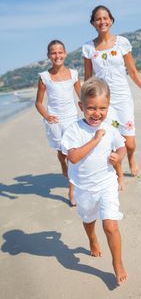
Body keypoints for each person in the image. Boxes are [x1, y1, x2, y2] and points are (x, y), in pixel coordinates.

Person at [61, 77, 127, 285]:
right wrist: (95, 139)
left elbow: (122, 145)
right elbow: (73, 157)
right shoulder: (74, 130)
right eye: (91, 108)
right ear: (81, 107)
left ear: (108, 107)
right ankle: (92, 239)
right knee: (89, 219)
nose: (97, 113)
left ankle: (117, 263)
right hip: (84, 187)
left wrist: (120, 156)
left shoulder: (110, 128)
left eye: (102, 108)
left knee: (110, 226)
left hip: (107, 184)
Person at [82, 5, 141, 187]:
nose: (102, 21)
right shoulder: (88, 49)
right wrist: (85, 103)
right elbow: (88, 78)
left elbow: (132, 71)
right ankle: (118, 173)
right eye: (98, 19)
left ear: (111, 20)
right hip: (103, 101)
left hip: (123, 98)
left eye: (105, 18)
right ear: (93, 23)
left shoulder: (122, 43)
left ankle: (131, 157)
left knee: (129, 142)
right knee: (112, 138)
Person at [35, 39, 81, 207]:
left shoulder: (74, 74)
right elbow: (39, 103)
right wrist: (47, 116)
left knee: (71, 155)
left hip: (71, 119)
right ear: (49, 56)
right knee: (62, 154)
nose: (57, 55)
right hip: (55, 121)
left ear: (65, 54)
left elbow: (81, 96)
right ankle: (62, 163)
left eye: (60, 52)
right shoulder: (44, 77)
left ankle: (72, 190)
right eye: (53, 53)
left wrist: (89, 109)